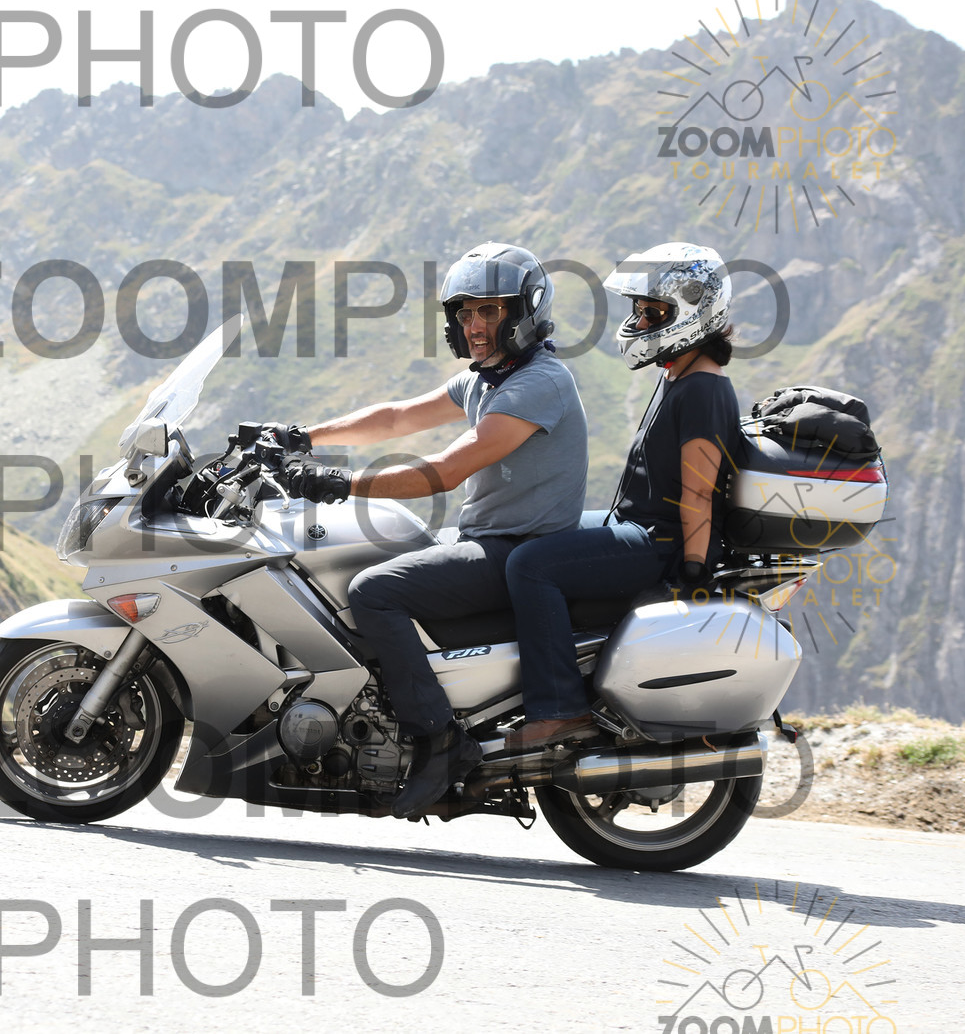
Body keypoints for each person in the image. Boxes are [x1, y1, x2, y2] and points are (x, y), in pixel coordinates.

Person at [271, 242, 588, 817]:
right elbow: (397, 417)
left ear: (525, 310)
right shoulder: (486, 381)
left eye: (488, 310)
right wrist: (303, 437)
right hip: (488, 542)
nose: (474, 326)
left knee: (374, 590)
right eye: (464, 313)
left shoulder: (537, 384)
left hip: (518, 552)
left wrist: (342, 482)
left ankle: (440, 743)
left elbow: (444, 472)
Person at [502, 242, 741, 752]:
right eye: (639, 310)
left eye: (654, 312)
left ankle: (560, 709)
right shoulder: (680, 375)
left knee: (531, 565)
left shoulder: (703, 388)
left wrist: (693, 571)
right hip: (639, 527)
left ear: (693, 313)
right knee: (539, 535)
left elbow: (699, 489)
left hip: (660, 540)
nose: (640, 322)